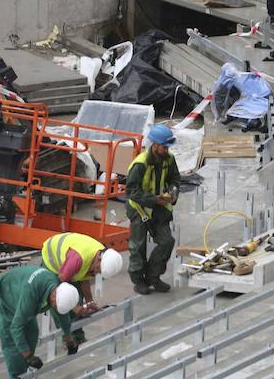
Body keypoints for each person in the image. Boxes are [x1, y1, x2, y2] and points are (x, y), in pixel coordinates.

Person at [0, 265, 80, 378]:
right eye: (56, 306)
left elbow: (62, 313)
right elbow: (16, 328)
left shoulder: (57, 288)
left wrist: (68, 338)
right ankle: (16, 376)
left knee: (32, 333)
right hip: (3, 294)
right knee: (12, 341)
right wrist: (28, 356)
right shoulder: (31, 296)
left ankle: (25, 369)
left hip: (21, 291)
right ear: (53, 297)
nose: (56, 308)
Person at [40, 232, 124, 344]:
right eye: (98, 269)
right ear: (99, 260)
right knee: (61, 304)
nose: (97, 272)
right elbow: (61, 286)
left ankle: (78, 337)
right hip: (52, 260)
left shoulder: (100, 255)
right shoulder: (77, 259)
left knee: (77, 299)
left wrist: (89, 302)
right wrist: (75, 307)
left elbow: (84, 277)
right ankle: (68, 338)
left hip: (70, 264)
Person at [126, 123, 180, 295]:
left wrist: (173, 192)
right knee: (138, 246)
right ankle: (138, 280)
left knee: (167, 241)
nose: (166, 150)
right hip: (139, 208)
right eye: (164, 146)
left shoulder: (169, 159)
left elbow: (175, 179)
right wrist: (153, 199)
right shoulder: (140, 164)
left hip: (159, 208)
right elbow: (131, 191)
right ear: (155, 144)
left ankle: (153, 277)